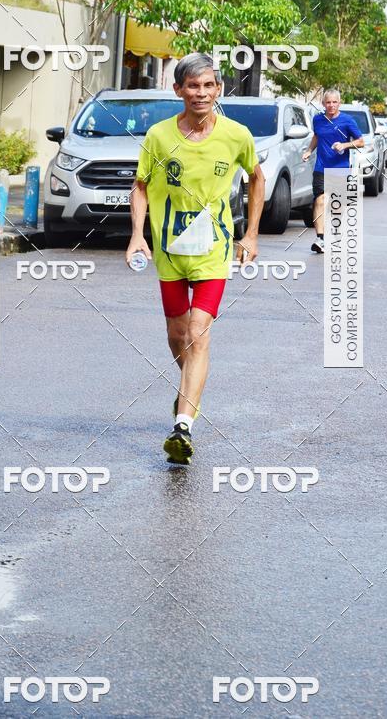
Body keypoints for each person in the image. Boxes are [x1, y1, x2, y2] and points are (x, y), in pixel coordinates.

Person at [126, 53, 265, 465]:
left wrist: (251, 234)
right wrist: (137, 235)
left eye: (208, 85)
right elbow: (140, 186)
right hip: (169, 251)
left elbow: (256, 179)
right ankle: (190, 388)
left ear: (218, 89)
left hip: (214, 251)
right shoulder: (158, 136)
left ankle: (183, 424)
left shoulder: (237, 135)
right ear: (178, 91)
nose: (201, 93)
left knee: (198, 332)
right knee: (177, 335)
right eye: (192, 86)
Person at [302, 89, 364, 254]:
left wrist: (344, 145)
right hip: (321, 167)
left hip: (340, 168)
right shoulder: (318, 119)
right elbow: (317, 136)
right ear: (323, 104)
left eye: (334, 102)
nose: (331, 105)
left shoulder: (347, 121)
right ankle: (320, 239)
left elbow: (361, 141)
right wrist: (309, 150)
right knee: (320, 201)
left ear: (339, 103)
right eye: (328, 102)